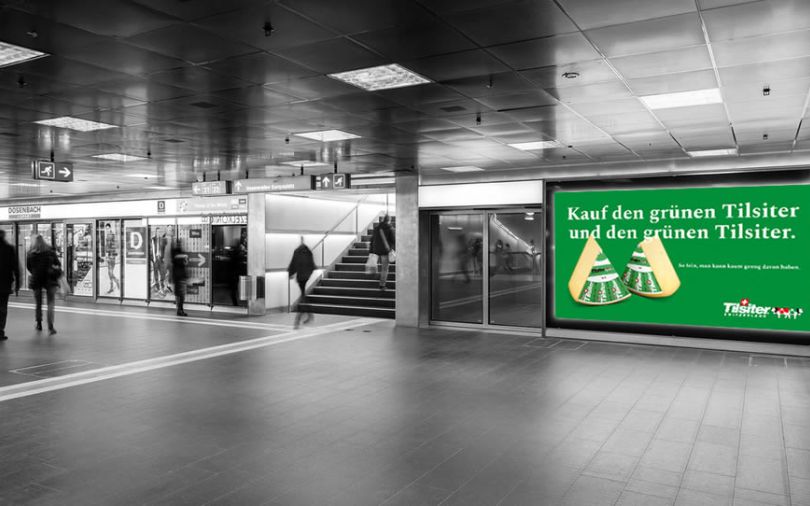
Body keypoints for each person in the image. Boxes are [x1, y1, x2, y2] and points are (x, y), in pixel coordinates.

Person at [26, 234, 59, 335]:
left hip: (37, 280)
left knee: (38, 303)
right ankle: (50, 326)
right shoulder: (50, 252)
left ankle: (39, 323)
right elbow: (58, 264)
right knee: (50, 303)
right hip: (50, 279)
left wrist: (35, 272)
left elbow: (29, 267)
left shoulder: (30, 253)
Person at [288, 236, 315, 328]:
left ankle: (298, 320)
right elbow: (312, 264)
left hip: (300, 277)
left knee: (303, 296)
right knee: (303, 295)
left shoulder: (297, 251)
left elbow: (293, 262)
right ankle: (309, 315)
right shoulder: (308, 251)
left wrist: (290, 273)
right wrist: (309, 273)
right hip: (305, 276)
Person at [0, 230, 20, 341]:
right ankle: (0, 332)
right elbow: (15, 267)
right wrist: (18, 282)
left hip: (5, 283)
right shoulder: (9, 248)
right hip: (5, 283)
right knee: (3, 308)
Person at [370, 214, 395, 291]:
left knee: (376, 265)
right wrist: (393, 249)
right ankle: (382, 285)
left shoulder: (376, 228)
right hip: (385, 251)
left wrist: (371, 251)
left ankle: (376, 275)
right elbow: (393, 240)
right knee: (384, 269)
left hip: (376, 250)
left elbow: (372, 240)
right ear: (389, 220)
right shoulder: (390, 228)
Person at [171, 240, 189, 316]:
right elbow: (181, 261)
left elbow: (185, 262)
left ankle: (180, 309)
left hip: (180, 276)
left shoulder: (180, 253)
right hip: (178, 276)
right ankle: (179, 310)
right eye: (178, 244)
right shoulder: (175, 253)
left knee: (181, 294)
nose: (180, 245)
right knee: (180, 294)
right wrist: (184, 257)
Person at [104, 223, 120, 294]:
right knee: (110, 272)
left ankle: (116, 282)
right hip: (111, 256)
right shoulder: (110, 235)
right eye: (106, 228)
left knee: (110, 272)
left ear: (110, 228)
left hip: (111, 256)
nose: (107, 230)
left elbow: (110, 246)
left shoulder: (110, 236)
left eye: (108, 228)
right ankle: (113, 285)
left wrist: (107, 254)